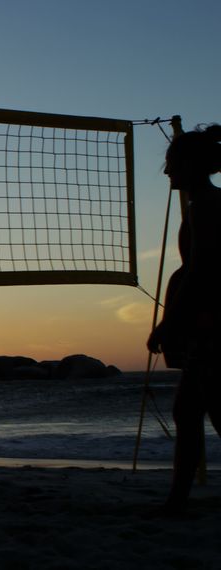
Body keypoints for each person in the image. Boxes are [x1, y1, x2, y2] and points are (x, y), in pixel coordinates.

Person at [146, 124, 221, 515]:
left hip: (213, 327)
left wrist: (167, 323)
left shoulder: (207, 206)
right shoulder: (205, 204)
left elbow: (201, 270)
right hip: (206, 326)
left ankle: (176, 500)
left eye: (171, 164)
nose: (166, 173)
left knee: (199, 410)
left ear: (191, 165)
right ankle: (177, 500)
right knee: (188, 411)